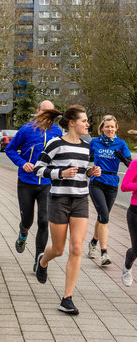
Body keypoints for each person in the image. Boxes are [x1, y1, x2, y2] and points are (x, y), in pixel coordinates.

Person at [33, 105, 101, 315]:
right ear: (72, 123)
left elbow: (83, 172)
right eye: (84, 121)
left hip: (80, 200)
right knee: (59, 249)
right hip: (59, 200)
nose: (88, 124)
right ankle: (43, 260)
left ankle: (67, 298)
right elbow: (38, 168)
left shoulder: (87, 146)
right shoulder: (56, 144)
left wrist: (92, 172)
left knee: (76, 248)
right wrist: (60, 173)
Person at [5, 100, 62, 271]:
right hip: (26, 182)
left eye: (51, 112)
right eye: (44, 112)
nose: (47, 116)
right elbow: (10, 149)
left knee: (44, 221)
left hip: (46, 183)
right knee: (27, 220)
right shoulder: (26, 129)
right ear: (37, 111)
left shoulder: (57, 132)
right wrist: (22, 163)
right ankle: (23, 233)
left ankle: (39, 259)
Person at [88, 115, 131, 266]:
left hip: (112, 184)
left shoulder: (121, 143)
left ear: (116, 128)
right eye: (107, 126)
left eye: (112, 126)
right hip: (97, 183)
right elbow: (86, 160)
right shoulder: (95, 142)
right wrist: (90, 165)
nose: (110, 129)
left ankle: (93, 242)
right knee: (104, 216)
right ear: (102, 128)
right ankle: (104, 252)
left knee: (102, 216)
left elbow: (131, 166)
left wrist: (123, 158)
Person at [121, 156, 137, 287]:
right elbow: (124, 186)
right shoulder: (135, 163)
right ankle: (127, 266)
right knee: (136, 249)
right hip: (135, 212)